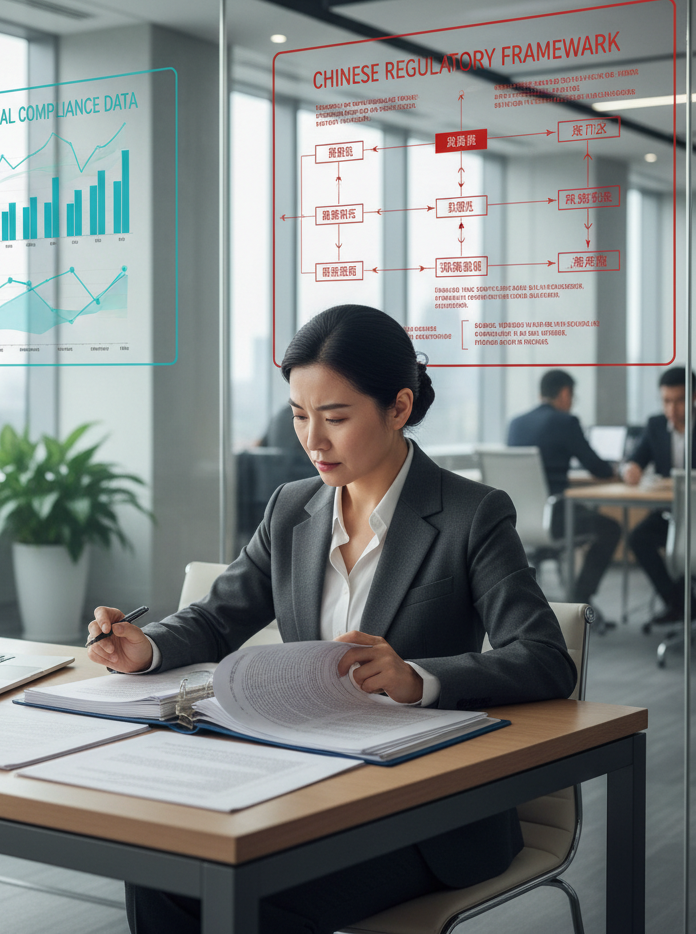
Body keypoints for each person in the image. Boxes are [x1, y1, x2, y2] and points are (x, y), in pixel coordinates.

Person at [88, 305, 576, 934]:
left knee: (249, 895)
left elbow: (543, 657)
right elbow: (216, 619)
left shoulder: (471, 514)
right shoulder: (292, 507)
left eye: (336, 418)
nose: (312, 441)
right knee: (163, 868)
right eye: (298, 416)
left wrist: (416, 678)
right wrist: (145, 648)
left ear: (399, 407)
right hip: (299, 781)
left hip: (420, 815)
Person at [622, 366, 696, 624]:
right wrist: (632, 468)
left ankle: (695, 606)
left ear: (695, 397)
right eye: (666, 401)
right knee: (639, 538)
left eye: (679, 401)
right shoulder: (655, 425)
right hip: (670, 515)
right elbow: (634, 460)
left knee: (690, 549)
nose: (672, 410)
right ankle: (680, 604)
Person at [506, 370, 621, 608]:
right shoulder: (566, 421)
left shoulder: (515, 423)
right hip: (556, 517)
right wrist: (617, 470)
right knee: (611, 529)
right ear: (565, 393)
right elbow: (597, 467)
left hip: (518, 520)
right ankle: (581, 597)